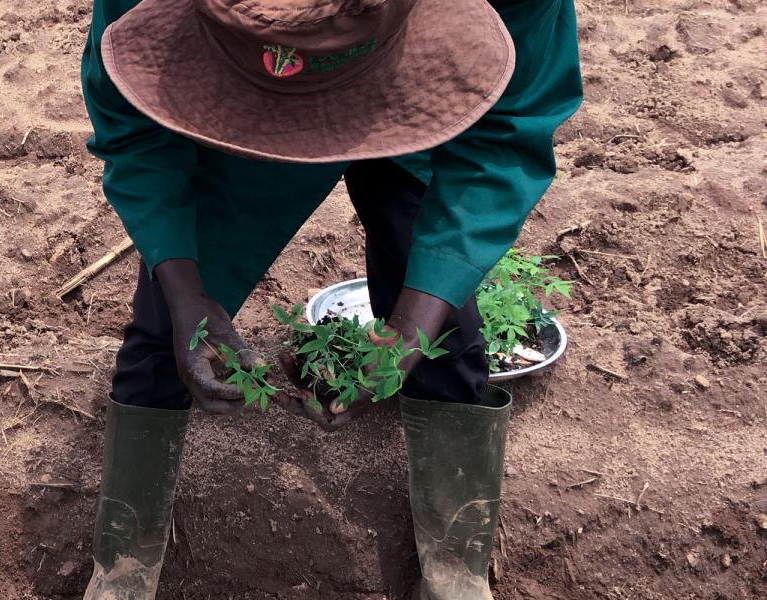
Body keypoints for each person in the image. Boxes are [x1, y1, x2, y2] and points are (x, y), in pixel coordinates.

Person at [80, 0, 582, 598]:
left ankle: (456, 569)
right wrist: (184, 289)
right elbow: (134, 131)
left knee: (447, 333)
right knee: (167, 332)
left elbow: (505, 134)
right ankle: (123, 567)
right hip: (239, 108)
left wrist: (415, 323)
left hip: (417, 93)